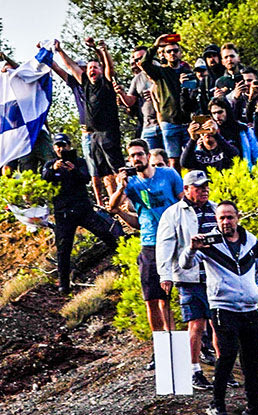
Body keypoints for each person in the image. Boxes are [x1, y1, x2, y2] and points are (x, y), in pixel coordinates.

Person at [194, 201, 258, 415]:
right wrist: (192, 249)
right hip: (223, 307)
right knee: (227, 354)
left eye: (230, 217)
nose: (226, 222)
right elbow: (185, 265)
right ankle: (217, 404)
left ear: (237, 217)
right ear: (216, 219)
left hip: (250, 308)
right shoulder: (209, 241)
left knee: (252, 358)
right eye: (221, 218)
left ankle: (254, 405)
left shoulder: (250, 240)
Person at [107, 139, 183, 367]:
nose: (136, 159)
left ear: (148, 156)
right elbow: (112, 206)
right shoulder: (131, 184)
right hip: (149, 242)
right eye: (132, 156)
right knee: (152, 299)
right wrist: (120, 186)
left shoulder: (168, 175)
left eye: (140, 154)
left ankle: (179, 346)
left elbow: (183, 201)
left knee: (171, 299)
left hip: (173, 239)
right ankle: (161, 349)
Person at [157, 170, 218, 390]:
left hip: (215, 276)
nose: (204, 190)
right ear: (186, 189)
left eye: (206, 186)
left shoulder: (215, 208)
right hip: (188, 275)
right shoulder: (173, 213)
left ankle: (223, 370)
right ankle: (193, 370)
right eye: (199, 187)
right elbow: (164, 245)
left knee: (218, 324)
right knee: (196, 324)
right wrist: (165, 275)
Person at [41, 133, 123, 293]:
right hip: (63, 214)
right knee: (63, 250)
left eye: (63, 145)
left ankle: (125, 262)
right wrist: (53, 169)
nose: (61, 149)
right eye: (58, 146)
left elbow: (86, 178)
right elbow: (44, 178)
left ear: (69, 146)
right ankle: (64, 285)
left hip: (83, 210)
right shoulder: (50, 164)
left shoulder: (80, 162)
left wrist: (73, 170)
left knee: (107, 234)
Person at [56, 38, 125, 204]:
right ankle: (114, 203)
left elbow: (109, 67)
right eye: (90, 68)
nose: (92, 70)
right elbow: (71, 66)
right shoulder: (85, 83)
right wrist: (59, 50)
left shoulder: (106, 83)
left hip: (109, 133)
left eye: (95, 67)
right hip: (93, 135)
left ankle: (126, 200)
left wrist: (102, 51)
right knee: (104, 172)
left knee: (117, 169)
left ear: (100, 70)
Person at [143, 34, 194, 169]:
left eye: (175, 50)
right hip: (169, 122)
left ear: (180, 53)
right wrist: (156, 45)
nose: (172, 53)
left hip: (187, 122)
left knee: (191, 160)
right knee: (173, 160)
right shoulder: (160, 72)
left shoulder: (188, 72)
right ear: (164, 55)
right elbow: (144, 64)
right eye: (169, 51)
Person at [121, 46, 162, 149]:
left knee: (172, 157)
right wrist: (121, 94)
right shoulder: (137, 78)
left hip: (166, 123)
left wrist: (155, 91)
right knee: (148, 156)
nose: (139, 61)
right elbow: (130, 102)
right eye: (136, 60)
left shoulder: (163, 70)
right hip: (148, 126)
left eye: (142, 58)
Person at [208, 97, 258, 169]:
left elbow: (256, 152)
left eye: (220, 112)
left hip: (242, 170)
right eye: (214, 113)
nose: (217, 116)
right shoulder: (210, 131)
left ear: (227, 111)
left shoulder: (243, 129)